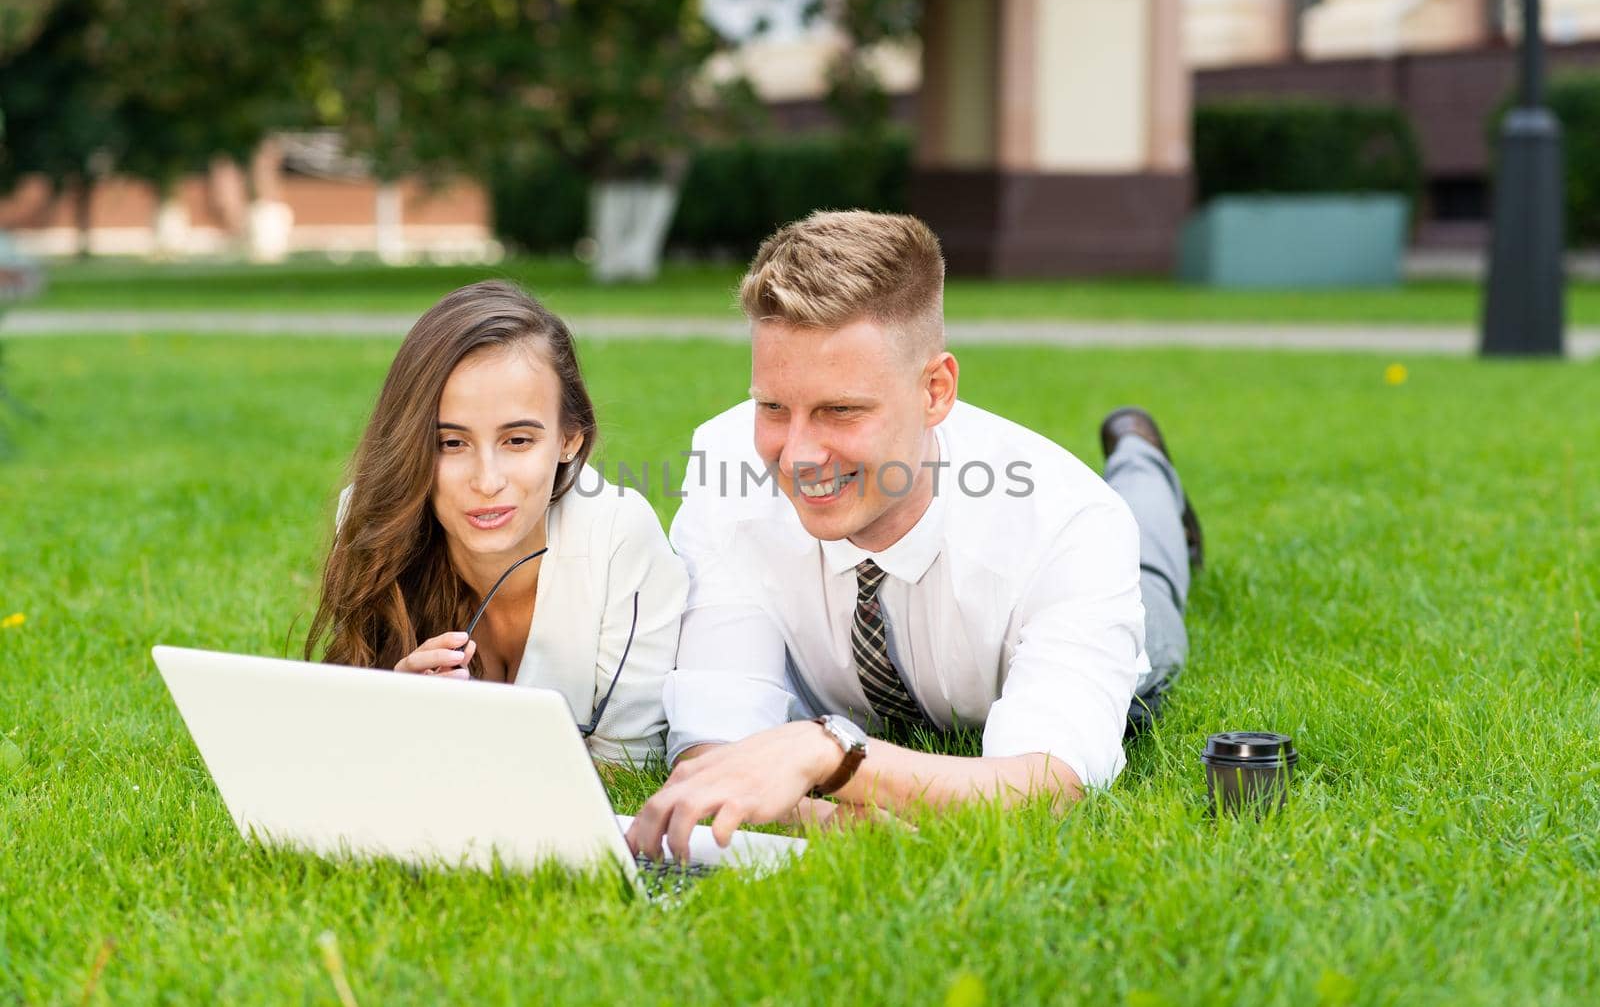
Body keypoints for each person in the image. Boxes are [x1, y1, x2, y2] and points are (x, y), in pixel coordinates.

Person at [626, 211, 1200, 858]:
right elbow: (717, 756)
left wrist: (829, 756)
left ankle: (1141, 456)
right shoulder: (727, 465)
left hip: (1088, 572)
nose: (797, 455)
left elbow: (1047, 788)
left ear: (935, 390)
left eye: (840, 410)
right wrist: (854, 824)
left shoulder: (1070, 525)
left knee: (1151, 577)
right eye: (773, 407)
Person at [305, 281, 688, 764]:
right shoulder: (376, 522)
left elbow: (628, 765)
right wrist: (393, 715)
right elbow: (340, 746)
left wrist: (467, 754)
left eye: (518, 440)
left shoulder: (618, 537)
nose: (487, 481)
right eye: (451, 443)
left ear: (570, 437)